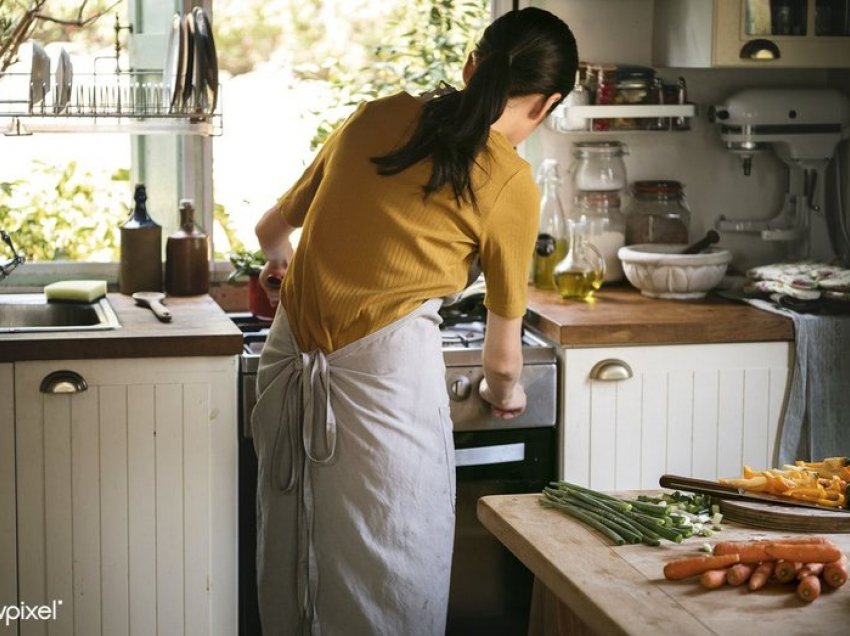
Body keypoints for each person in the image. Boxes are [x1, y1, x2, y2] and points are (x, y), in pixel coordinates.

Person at [251, 7, 578, 634]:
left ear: (470, 65)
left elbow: (272, 230)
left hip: (288, 359)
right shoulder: (510, 180)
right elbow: (504, 359)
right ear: (547, 104)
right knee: (388, 569)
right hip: (384, 388)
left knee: (293, 561)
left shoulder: (378, 115)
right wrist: (500, 395)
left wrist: (282, 264)